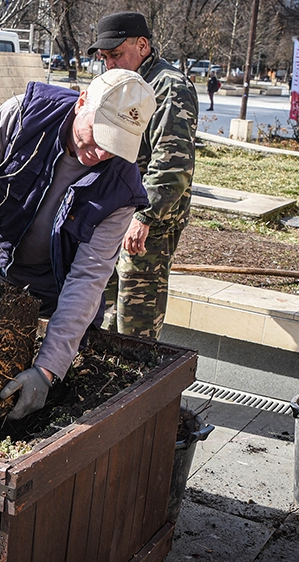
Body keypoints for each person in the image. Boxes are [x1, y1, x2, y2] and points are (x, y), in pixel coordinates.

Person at [0, 70, 155, 418]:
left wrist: (46, 370)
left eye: (114, 145)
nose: (100, 152)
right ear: (82, 101)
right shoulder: (25, 115)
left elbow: (87, 280)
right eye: (99, 135)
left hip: (52, 293)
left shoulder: (122, 188)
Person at [88, 12, 199, 340]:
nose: (110, 64)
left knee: (135, 326)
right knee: (91, 310)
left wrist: (145, 217)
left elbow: (173, 165)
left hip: (147, 224)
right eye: (104, 58)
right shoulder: (120, 83)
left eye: (117, 55)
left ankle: (136, 388)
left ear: (143, 45)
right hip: (110, 216)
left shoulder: (169, 86)